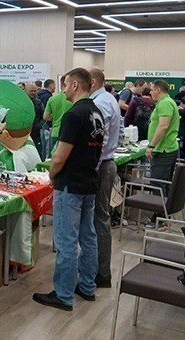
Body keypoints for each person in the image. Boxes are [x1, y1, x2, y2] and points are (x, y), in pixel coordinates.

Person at [33, 68, 104, 311]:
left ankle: (63, 295)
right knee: (88, 237)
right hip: (89, 181)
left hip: (70, 184)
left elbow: (59, 156)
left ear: (74, 85)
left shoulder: (74, 115)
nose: (62, 90)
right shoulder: (96, 112)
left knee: (66, 241)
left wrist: (52, 176)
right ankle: (87, 286)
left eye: (65, 85)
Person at [88, 67, 123, 289]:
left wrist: (91, 169)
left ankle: (100, 273)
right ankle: (99, 270)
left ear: (92, 81)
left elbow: (98, 142)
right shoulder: (110, 99)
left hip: (100, 166)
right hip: (107, 164)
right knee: (100, 217)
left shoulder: (99, 103)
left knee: (99, 218)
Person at [145, 79, 180, 229]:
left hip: (163, 150)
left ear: (158, 90)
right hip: (165, 149)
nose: (150, 92)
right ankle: (163, 216)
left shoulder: (165, 103)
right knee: (163, 184)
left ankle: (158, 218)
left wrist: (151, 145)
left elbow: (163, 126)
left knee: (158, 185)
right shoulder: (165, 103)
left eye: (152, 89)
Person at [43, 76, 73, 158]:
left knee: (53, 158)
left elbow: (45, 117)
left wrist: (55, 117)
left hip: (55, 132)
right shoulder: (73, 99)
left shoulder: (52, 98)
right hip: (69, 132)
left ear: (61, 84)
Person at [25, 83, 44, 159]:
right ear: (25, 91)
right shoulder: (21, 103)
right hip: (24, 133)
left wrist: (39, 125)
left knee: (38, 153)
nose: (33, 93)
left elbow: (44, 117)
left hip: (36, 134)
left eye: (34, 91)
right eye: (31, 91)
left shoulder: (39, 103)